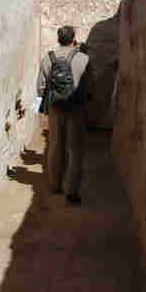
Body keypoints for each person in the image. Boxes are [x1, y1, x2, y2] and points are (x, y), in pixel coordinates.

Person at [37, 25, 94, 204]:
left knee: (55, 147)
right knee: (75, 150)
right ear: (73, 39)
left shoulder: (48, 58)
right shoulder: (84, 58)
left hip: (55, 109)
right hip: (76, 109)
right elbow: (91, 86)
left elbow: (40, 90)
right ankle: (71, 191)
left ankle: (54, 185)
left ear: (58, 39)